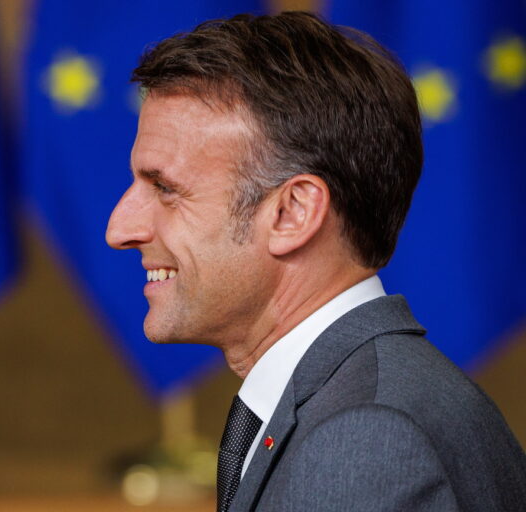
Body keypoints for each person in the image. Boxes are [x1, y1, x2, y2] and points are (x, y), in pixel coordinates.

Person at [105, 11, 526, 512]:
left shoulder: (367, 437)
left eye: (166, 189)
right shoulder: (360, 401)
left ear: (292, 213)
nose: (120, 229)